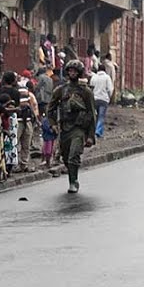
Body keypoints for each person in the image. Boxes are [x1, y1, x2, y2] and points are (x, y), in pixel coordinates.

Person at [45, 59, 96, 193]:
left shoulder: (86, 92)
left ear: (79, 73)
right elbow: (50, 109)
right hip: (64, 128)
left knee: (74, 155)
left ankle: (73, 182)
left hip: (79, 128)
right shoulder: (60, 90)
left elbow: (91, 113)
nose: (72, 73)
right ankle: (72, 177)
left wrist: (91, 136)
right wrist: (52, 124)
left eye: (75, 71)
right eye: (70, 71)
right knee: (67, 158)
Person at [89, 64, 114, 138]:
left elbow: (91, 88)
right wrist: (109, 97)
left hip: (95, 99)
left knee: (95, 116)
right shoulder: (107, 77)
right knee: (101, 116)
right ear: (104, 70)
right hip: (103, 99)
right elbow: (110, 89)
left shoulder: (94, 77)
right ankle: (98, 132)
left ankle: (94, 131)